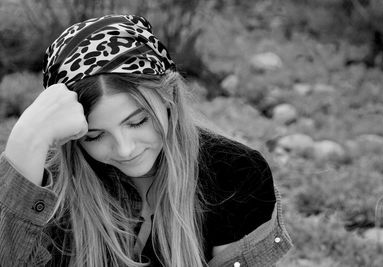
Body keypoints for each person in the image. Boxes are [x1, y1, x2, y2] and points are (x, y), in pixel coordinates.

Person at [0, 14, 292, 267]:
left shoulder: (233, 172)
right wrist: (26, 142)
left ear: (168, 97)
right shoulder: (50, 183)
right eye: (95, 136)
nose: (125, 149)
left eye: (138, 121)